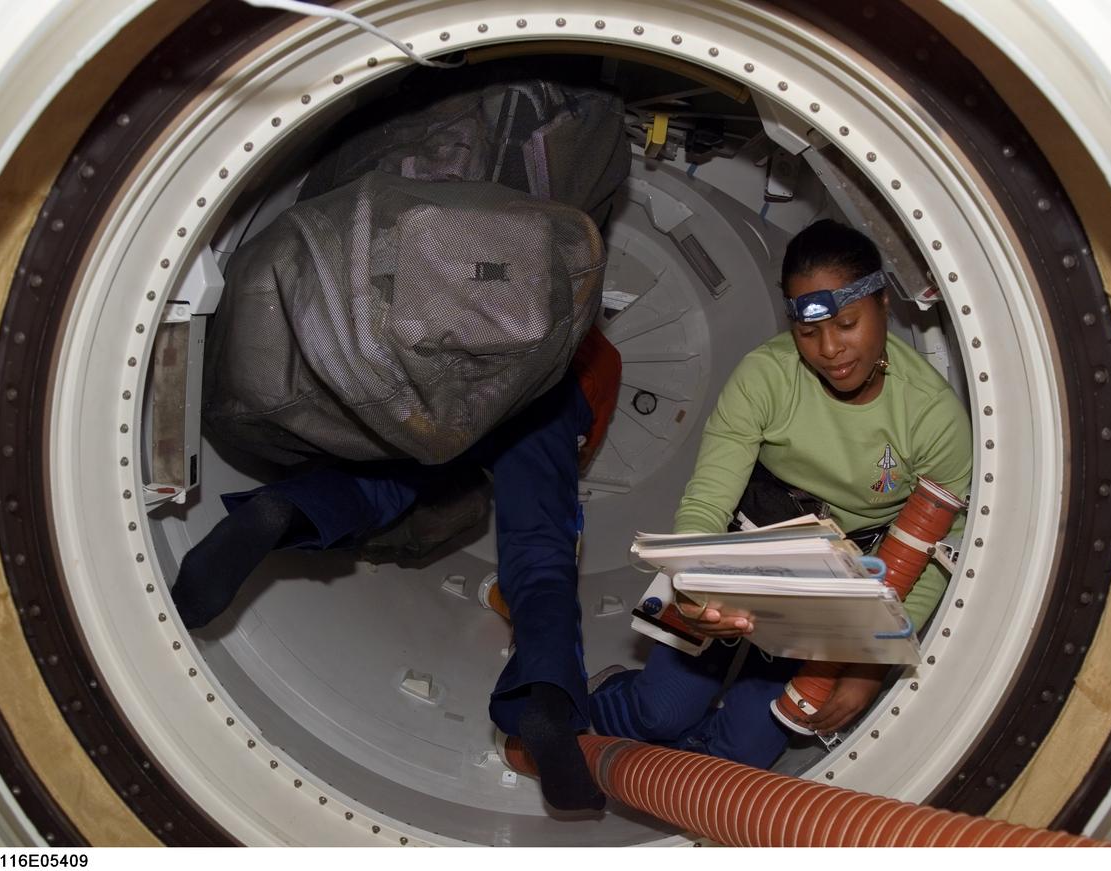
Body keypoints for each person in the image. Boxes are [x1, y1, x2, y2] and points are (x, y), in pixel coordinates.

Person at [172, 327, 621, 812]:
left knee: (388, 481)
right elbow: (581, 448)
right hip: (551, 407)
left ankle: (285, 509)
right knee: (542, 557)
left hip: (470, 381)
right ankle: (547, 698)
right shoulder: (602, 357)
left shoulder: (507, 306)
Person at [588, 219, 972, 767]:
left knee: (747, 748)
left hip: (837, 590)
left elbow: (941, 547)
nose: (830, 349)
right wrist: (692, 586)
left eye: (846, 323)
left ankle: (678, 779)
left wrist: (871, 665)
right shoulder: (765, 377)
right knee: (662, 712)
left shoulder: (932, 418)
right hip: (745, 552)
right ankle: (591, 710)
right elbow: (708, 499)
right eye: (808, 332)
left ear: (884, 303)